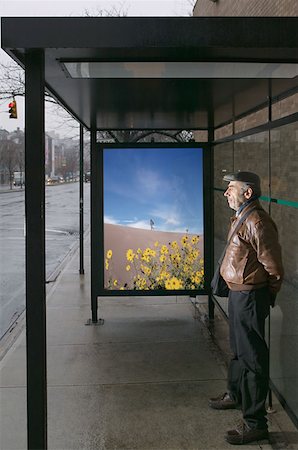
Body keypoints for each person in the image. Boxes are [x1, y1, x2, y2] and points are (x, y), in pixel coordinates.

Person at [209, 171, 284, 445]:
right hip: (238, 295)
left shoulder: (258, 222)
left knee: (252, 358)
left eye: (232, 188)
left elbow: (274, 268)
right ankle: (236, 394)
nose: (227, 192)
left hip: (250, 297)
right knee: (239, 351)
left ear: (248, 193)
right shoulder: (243, 217)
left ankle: (255, 423)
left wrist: (266, 296)